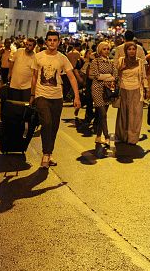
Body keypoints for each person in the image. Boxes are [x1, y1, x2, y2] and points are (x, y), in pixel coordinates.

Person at [29, 31, 81, 169]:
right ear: (46, 42)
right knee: (46, 122)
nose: (52, 42)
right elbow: (34, 77)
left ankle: (49, 153)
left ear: (59, 42)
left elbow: (71, 77)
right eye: (50, 40)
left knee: (54, 126)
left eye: (55, 40)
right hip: (41, 95)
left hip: (57, 97)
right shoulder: (38, 57)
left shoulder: (62, 58)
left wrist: (77, 96)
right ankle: (46, 154)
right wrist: (32, 94)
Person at [115, 41, 148, 145]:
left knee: (136, 114)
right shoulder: (121, 60)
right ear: (125, 50)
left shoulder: (140, 61)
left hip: (137, 89)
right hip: (123, 89)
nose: (132, 51)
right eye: (129, 49)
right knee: (124, 114)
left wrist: (147, 89)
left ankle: (133, 138)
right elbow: (116, 74)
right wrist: (121, 68)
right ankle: (122, 136)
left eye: (134, 49)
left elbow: (143, 76)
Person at [89, 41, 117, 157]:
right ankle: (106, 137)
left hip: (108, 91)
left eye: (108, 49)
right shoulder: (95, 62)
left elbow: (115, 76)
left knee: (102, 114)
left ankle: (98, 136)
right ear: (99, 50)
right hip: (97, 89)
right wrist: (108, 77)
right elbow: (96, 76)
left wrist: (106, 77)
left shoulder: (111, 62)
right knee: (103, 114)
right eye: (104, 49)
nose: (106, 51)